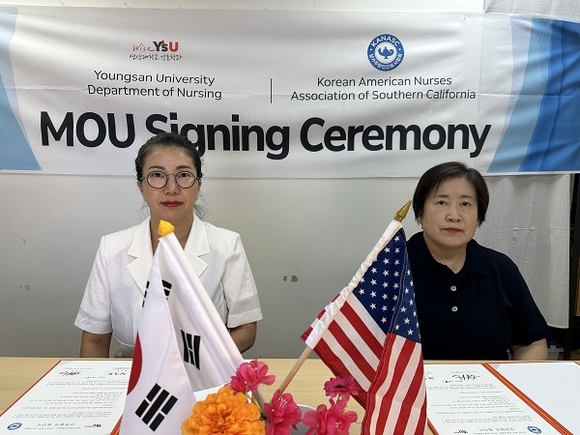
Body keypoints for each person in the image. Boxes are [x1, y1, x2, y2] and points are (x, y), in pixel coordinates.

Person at [74, 132, 262, 357]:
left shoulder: (227, 245)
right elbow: (94, 339)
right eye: (157, 175)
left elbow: (246, 329)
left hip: (203, 369)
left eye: (183, 175)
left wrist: (197, 360)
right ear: (141, 187)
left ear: (198, 185)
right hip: (131, 371)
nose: (171, 188)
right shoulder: (111, 248)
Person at [407, 161, 551, 360]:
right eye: (441, 202)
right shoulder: (393, 267)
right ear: (420, 213)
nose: (454, 216)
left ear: (478, 216)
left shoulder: (502, 269)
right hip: (413, 381)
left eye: (465, 204)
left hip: (489, 380)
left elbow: (531, 343)